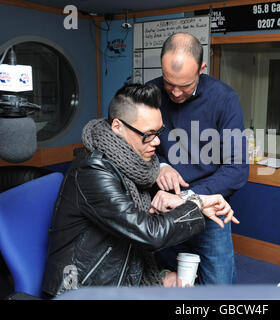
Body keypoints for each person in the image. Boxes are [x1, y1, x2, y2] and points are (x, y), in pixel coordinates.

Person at [41, 83, 239, 298]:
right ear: (117, 127)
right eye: (148, 134)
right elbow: (150, 233)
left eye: (159, 132)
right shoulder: (94, 171)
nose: (156, 141)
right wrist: (196, 205)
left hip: (117, 276)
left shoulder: (137, 164)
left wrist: (160, 274)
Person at [146, 33, 249, 284]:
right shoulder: (149, 94)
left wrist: (185, 198)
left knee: (219, 285)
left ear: (202, 69)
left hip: (209, 207)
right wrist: (161, 165)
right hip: (160, 206)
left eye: (185, 85)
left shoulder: (224, 99)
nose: (176, 93)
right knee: (163, 279)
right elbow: (132, 147)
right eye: (170, 83)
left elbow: (236, 168)